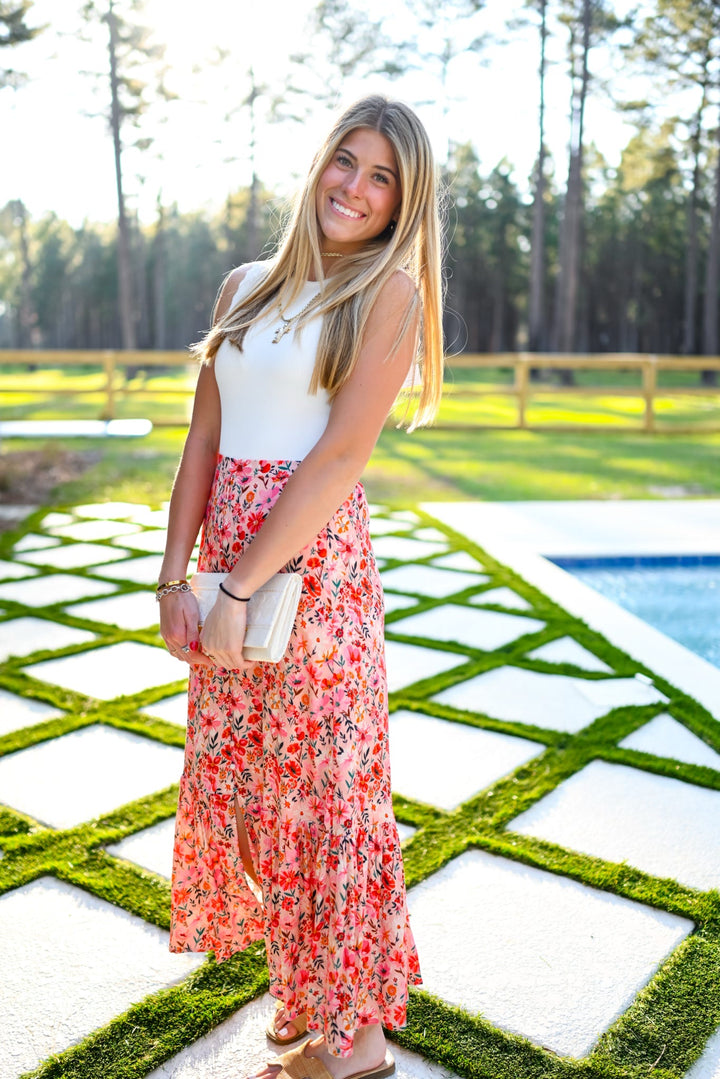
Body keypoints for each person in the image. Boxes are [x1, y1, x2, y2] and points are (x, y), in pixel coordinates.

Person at [157, 94, 444, 1079]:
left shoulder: (390, 292)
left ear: (404, 203)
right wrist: (173, 575)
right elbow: (205, 435)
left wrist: (236, 583)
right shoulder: (243, 283)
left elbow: (337, 458)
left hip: (307, 576)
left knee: (326, 803)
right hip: (228, 568)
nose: (355, 189)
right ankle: (308, 993)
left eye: (382, 179)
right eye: (347, 162)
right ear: (319, 162)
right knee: (248, 803)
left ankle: (353, 1038)